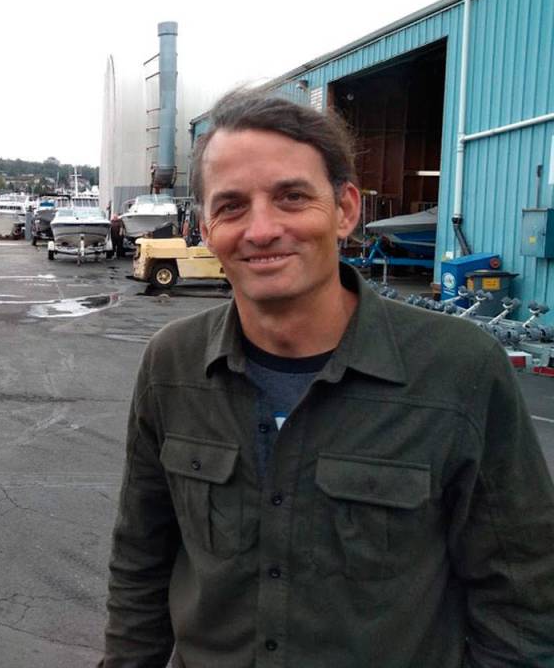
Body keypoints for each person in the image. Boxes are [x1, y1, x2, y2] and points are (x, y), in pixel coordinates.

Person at [101, 88, 554, 667]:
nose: (261, 229)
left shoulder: (460, 370)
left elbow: (521, 599)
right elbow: (141, 562)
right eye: (231, 206)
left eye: (291, 197)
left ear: (345, 210)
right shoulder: (172, 366)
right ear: (206, 228)